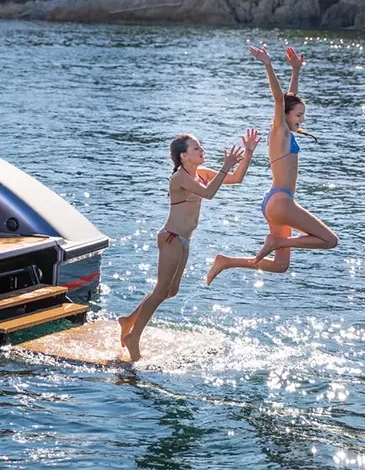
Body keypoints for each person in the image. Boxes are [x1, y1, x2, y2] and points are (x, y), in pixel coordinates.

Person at [118, 130, 259, 361]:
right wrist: (225, 166)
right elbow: (210, 194)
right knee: (162, 290)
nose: (202, 150)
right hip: (171, 238)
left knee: (170, 291)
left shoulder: (201, 173)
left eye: (200, 147)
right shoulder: (180, 178)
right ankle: (133, 337)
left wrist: (249, 153)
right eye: (196, 148)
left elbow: (236, 179)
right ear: (184, 156)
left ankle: (128, 320)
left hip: (185, 239)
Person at [204, 46, 338, 286]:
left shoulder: (286, 133)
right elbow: (280, 99)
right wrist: (268, 65)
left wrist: (296, 70)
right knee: (330, 240)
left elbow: (289, 98)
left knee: (280, 266)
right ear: (285, 116)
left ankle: (225, 261)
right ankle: (278, 242)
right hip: (281, 202)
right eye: (299, 115)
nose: (302, 119)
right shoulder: (279, 131)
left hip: (275, 202)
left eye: (303, 115)